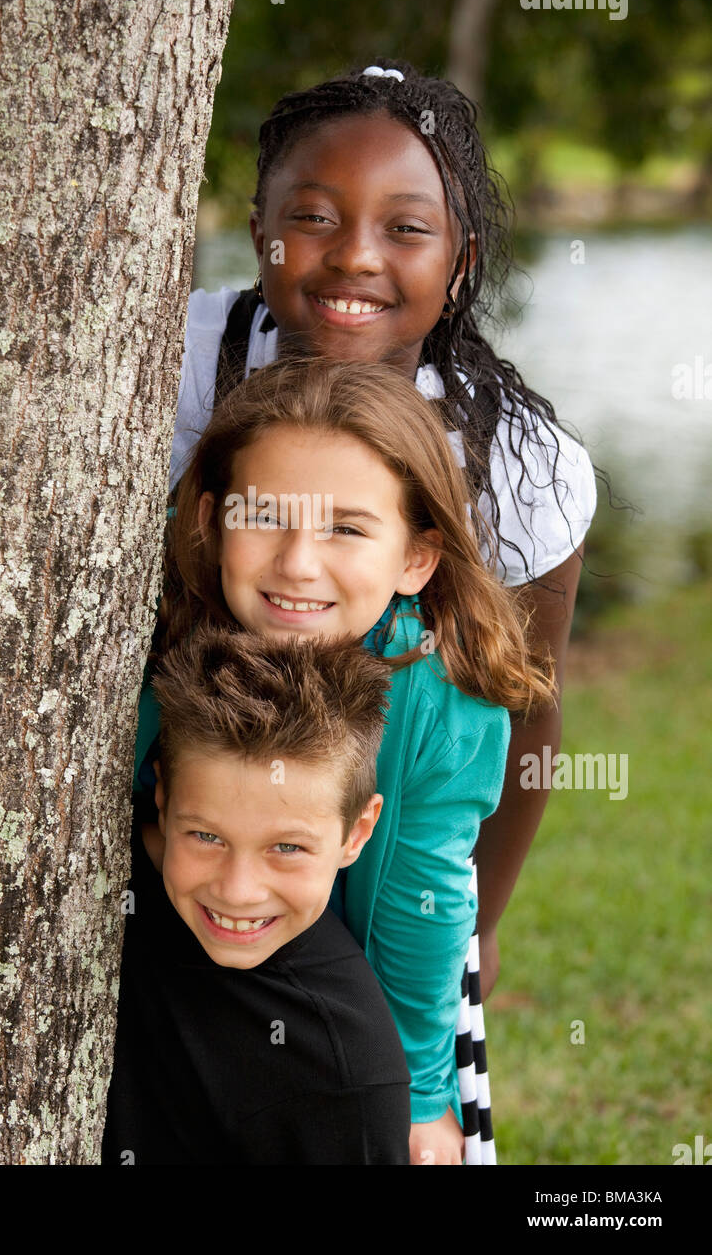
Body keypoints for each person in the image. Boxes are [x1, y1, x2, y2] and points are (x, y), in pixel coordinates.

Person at [171, 60, 597, 1016]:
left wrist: (482, 917)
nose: (356, 255)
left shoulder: (519, 462)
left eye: (406, 228)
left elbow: (531, 706)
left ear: (461, 263)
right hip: (208, 860)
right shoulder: (184, 363)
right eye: (315, 217)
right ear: (259, 235)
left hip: (395, 864)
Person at [138, 355, 556, 1164]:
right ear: (209, 520)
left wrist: (423, 1092)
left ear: (415, 559)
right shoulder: (160, 628)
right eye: (265, 516)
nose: (298, 563)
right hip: (201, 920)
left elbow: (422, 900)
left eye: (346, 528)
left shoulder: (443, 704)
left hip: (375, 970)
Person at [102, 625, 413, 1166]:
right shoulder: (84, 860)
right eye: (206, 836)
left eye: (287, 847)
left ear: (355, 834)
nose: (237, 891)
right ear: (163, 796)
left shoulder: (345, 1078)